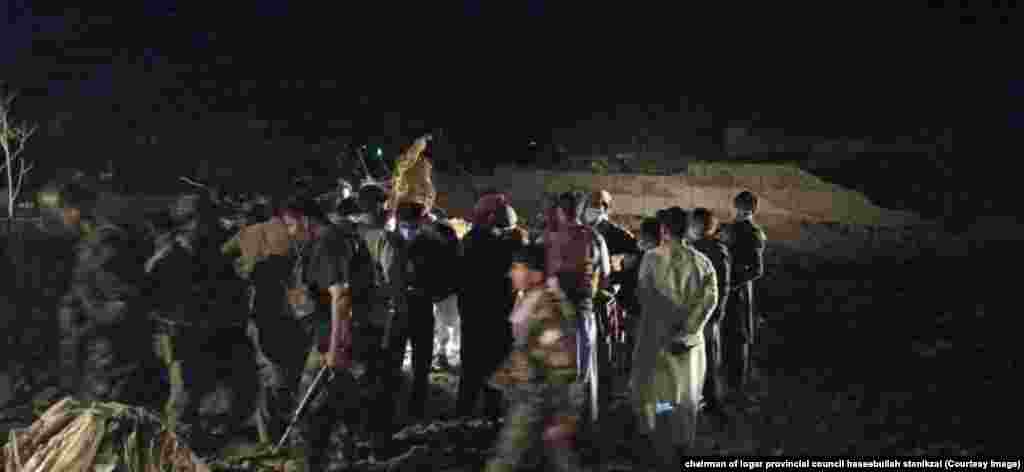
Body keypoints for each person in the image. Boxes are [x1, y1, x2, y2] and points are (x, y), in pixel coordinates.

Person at [49, 180, 163, 405]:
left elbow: (119, 302)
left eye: (63, 212)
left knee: (105, 411)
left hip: (110, 354)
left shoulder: (104, 243)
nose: (62, 219)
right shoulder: (93, 242)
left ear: (74, 210)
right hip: (101, 349)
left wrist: (85, 327)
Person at [280, 197, 366, 471]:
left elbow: (340, 296)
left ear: (305, 219)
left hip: (330, 339)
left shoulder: (327, 242)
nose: (290, 231)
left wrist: (334, 347)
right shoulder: (331, 239)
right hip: (333, 335)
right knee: (339, 406)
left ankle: (313, 463)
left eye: (291, 224)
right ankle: (342, 458)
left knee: (310, 412)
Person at [630, 206, 718, 469]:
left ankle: (660, 443)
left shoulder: (651, 259)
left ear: (663, 230)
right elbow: (709, 301)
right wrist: (687, 331)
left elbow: (646, 297)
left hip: (657, 341)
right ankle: (682, 446)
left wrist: (666, 328)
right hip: (688, 345)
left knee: (660, 396)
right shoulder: (703, 262)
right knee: (687, 395)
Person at [485, 244, 583, 472]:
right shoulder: (531, 298)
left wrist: (565, 414)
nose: (511, 273)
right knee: (558, 457)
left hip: (539, 394)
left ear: (536, 274)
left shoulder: (546, 305)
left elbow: (561, 360)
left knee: (506, 457)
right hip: (536, 392)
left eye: (517, 267)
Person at [457, 192, 527, 422]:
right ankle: (490, 417)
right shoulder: (506, 246)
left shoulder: (469, 241)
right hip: (498, 319)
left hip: (473, 318)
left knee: (471, 371)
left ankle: (464, 416)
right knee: (494, 373)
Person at [722, 191, 767, 407]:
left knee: (736, 337)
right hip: (736, 291)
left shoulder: (733, 230)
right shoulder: (752, 232)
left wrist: (730, 284)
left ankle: (733, 387)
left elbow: (756, 270)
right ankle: (734, 388)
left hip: (734, 291)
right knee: (738, 338)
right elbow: (757, 270)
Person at [687, 208, 732, 420]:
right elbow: (724, 286)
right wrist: (717, 314)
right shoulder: (719, 250)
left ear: (696, 226)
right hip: (709, 315)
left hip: (698, 316)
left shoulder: (695, 251)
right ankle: (710, 402)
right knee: (710, 360)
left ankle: (707, 403)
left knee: (701, 361)